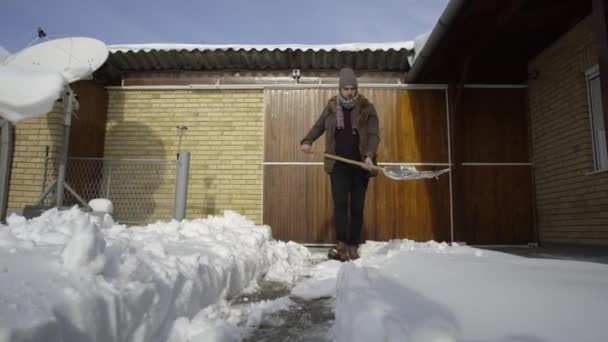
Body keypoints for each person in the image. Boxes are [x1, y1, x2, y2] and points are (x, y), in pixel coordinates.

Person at [300, 68, 380, 261]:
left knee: (358, 207)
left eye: (352, 88)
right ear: (340, 88)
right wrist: (308, 140)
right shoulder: (331, 108)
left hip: (361, 165)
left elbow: (373, 134)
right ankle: (342, 243)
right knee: (341, 205)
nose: (349, 92)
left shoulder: (367, 108)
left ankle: (353, 244)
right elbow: (319, 126)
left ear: (356, 88)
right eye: (345, 88)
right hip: (338, 165)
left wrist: (369, 156)